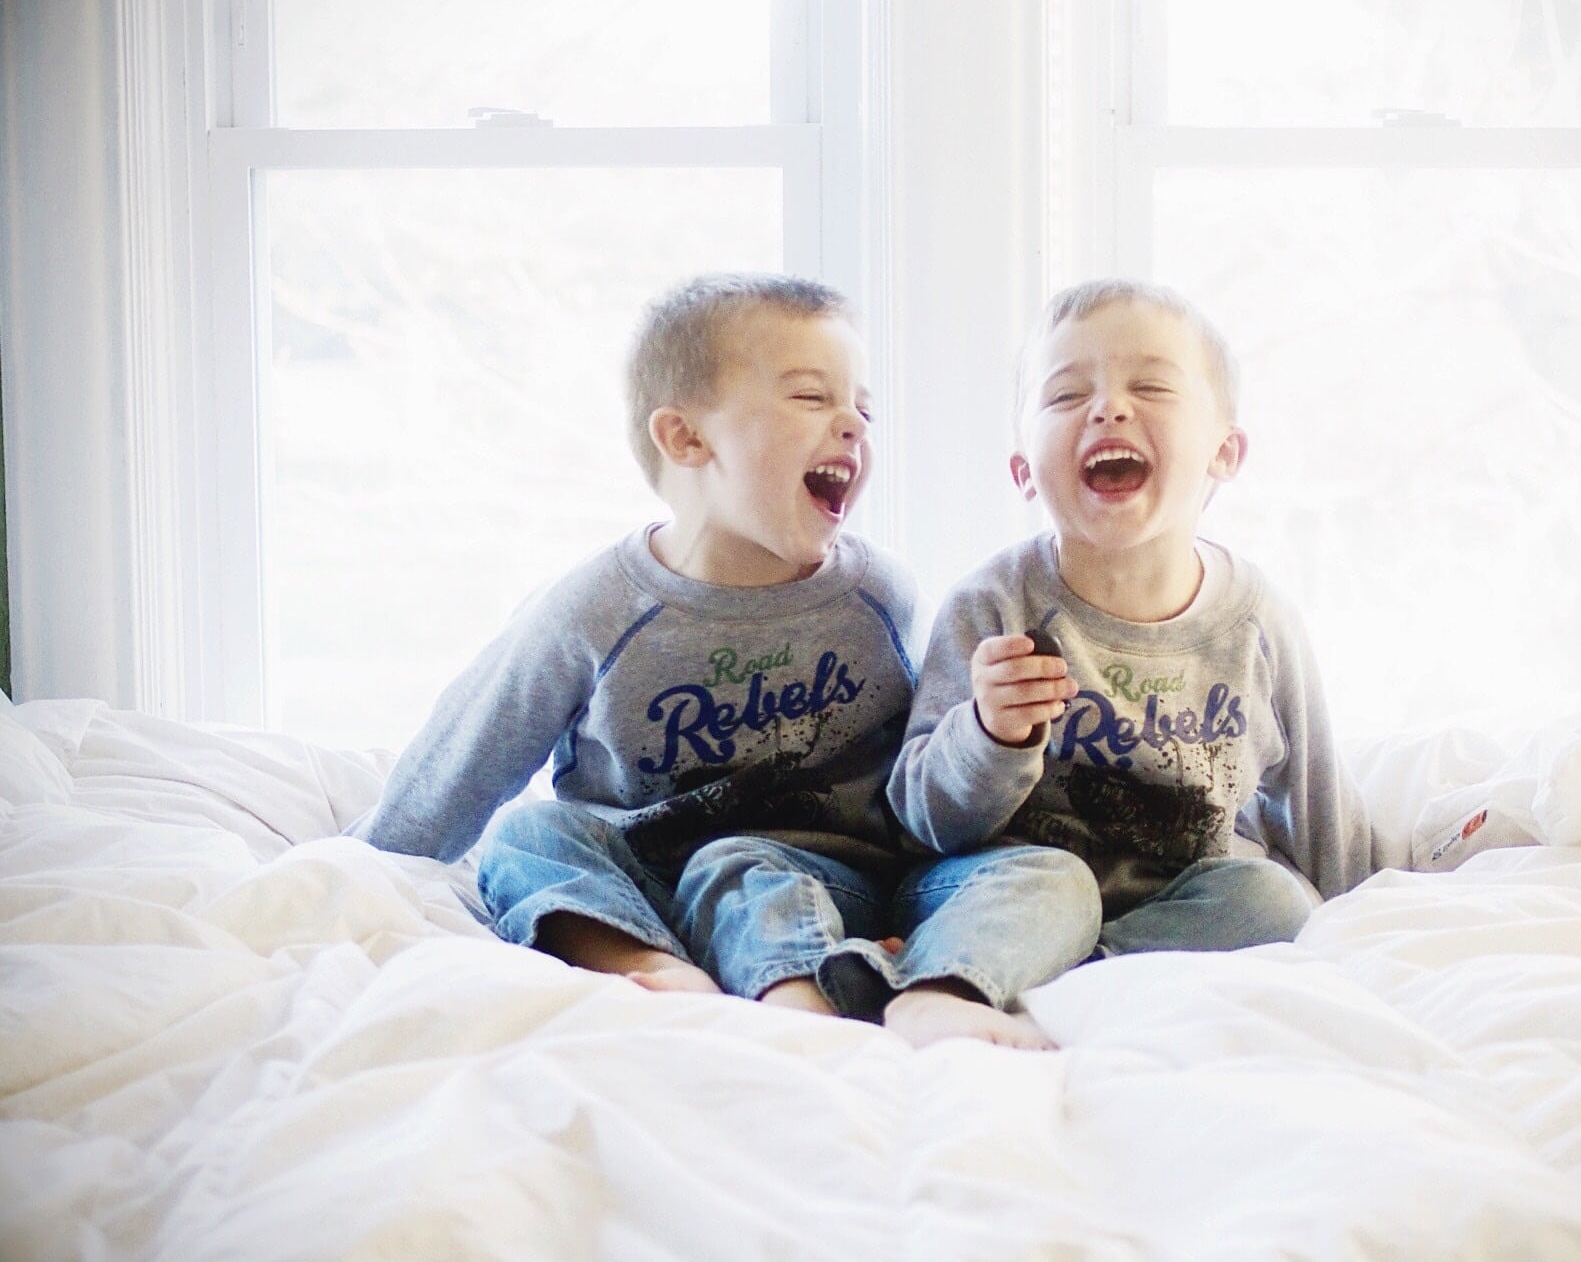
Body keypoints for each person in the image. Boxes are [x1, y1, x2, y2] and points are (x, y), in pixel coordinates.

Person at [354, 273, 918, 1014]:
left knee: (743, 865)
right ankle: (645, 965)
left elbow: (928, 771)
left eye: (863, 408)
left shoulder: (876, 598)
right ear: (684, 436)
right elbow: (470, 748)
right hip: (642, 879)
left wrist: (927, 912)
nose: (852, 424)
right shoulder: (595, 609)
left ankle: (801, 995)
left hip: (810, 885)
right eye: (812, 397)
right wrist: (355, 869)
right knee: (525, 832)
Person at [878, 279, 1380, 1047]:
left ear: (1225, 451)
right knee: (1056, 880)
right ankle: (938, 987)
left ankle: (1065, 994)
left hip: (1166, 904)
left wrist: (1369, 922)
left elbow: (1316, 805)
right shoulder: (994, 604)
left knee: (1276, 897)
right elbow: (919, 819)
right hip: (999, 889)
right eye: (1065, 394)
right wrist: (989, 735)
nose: (1109, 407)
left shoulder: (1256, 623)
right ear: (1022, 470)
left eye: (1150, 385)